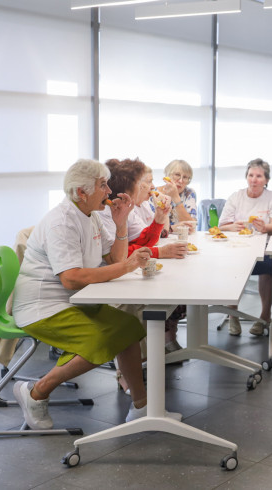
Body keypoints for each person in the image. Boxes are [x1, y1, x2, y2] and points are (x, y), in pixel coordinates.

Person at [12, 159, 181, 429]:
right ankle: (36, 391)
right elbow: (71, 278)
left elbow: (114, 258)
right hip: (43, 308)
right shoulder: (61, 222)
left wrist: (121, 223)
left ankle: (142, 407)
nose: (108, 191)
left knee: (128, 327)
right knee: (106, 339)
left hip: (77, 301)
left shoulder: (90, 217)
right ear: (81, 192)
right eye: (103, 186)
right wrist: (125, 266)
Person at [97, 158, 188, 393]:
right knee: (133, 308)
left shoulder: (130, 209)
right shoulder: (107, 214)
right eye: (144, 183)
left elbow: (140, 243)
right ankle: (130, 373)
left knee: (149, 301)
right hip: (100, 283)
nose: (150, 188)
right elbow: (123, 255)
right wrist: (158, 250)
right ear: (128, 189)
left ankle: (138, 370)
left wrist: (158, 219)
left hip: (114, 276)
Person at [218, 158, 272, 336]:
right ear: (246, 177)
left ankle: (264, 317)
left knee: (268, 265)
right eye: (251, 175)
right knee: (231, 264)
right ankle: (232, 315)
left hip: (265, 246)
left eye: (259, 176)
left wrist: (266, 227)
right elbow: (222, 225)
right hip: (239, 247)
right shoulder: (236, 196)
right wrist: (232, 227)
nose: (254, 180)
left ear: (267, 180)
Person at [160, 159, 198, 233]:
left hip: (183, 238)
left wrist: (176, 197)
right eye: (177, 175)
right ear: (167, 175)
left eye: (185, 177)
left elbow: (192, 226)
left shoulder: (189, 193)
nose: (181, 181)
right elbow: (147, 228)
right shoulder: (155, 194)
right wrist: (173, 228)